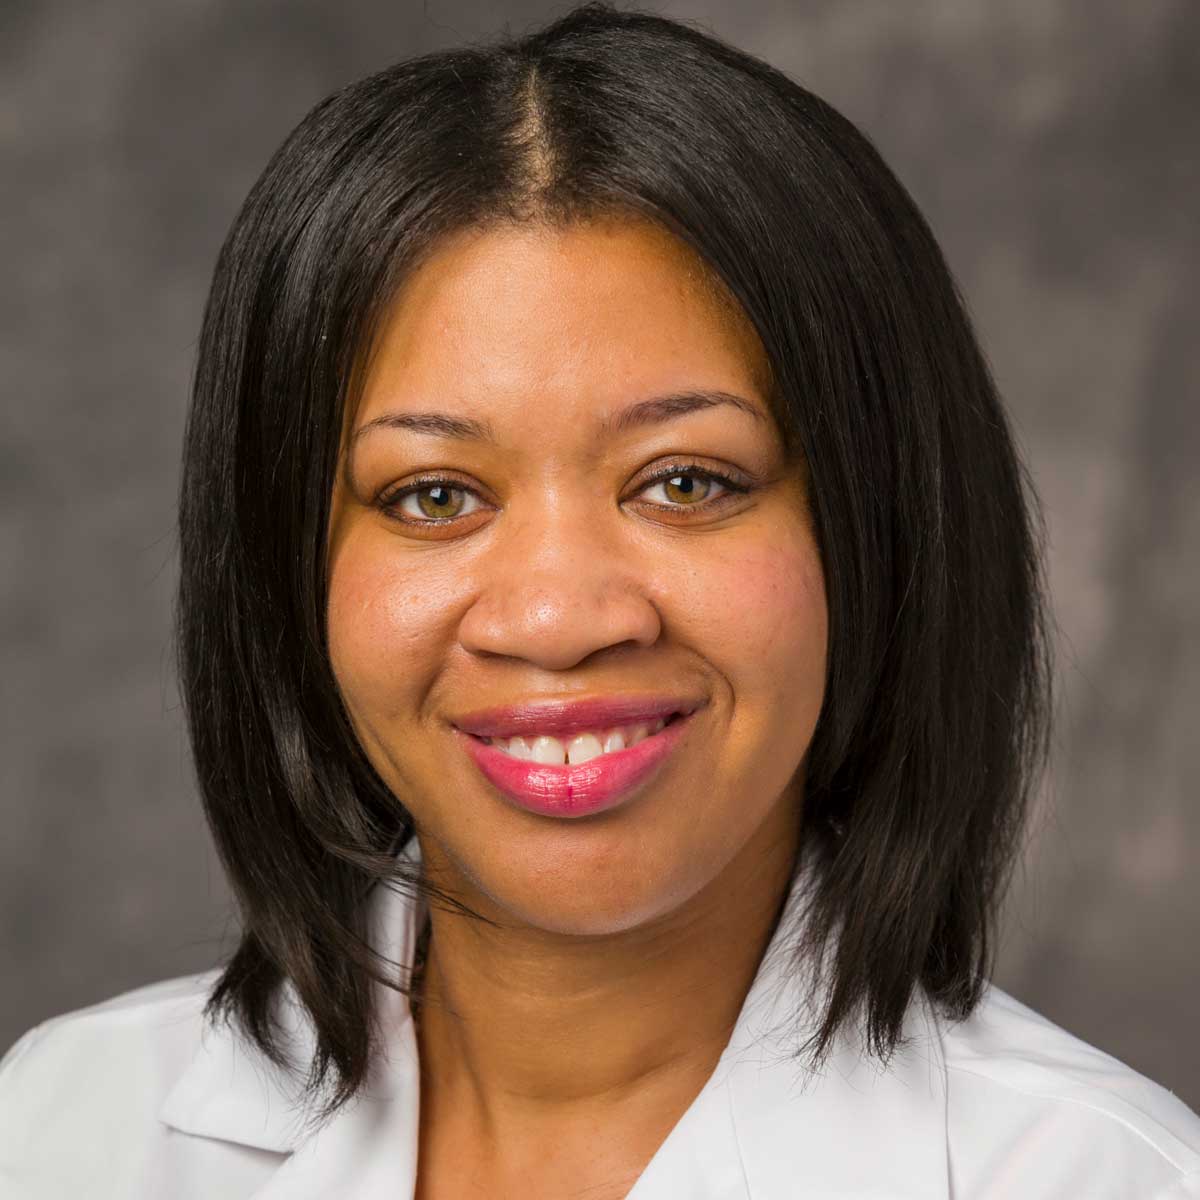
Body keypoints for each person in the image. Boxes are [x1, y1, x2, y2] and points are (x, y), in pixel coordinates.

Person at [2, 4, 1198, 1197]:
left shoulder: (1097, 1178)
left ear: (875, 531)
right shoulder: (63, 1128)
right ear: (285, 572)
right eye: (433, 496)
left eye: (685, 481)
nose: (557, 619)